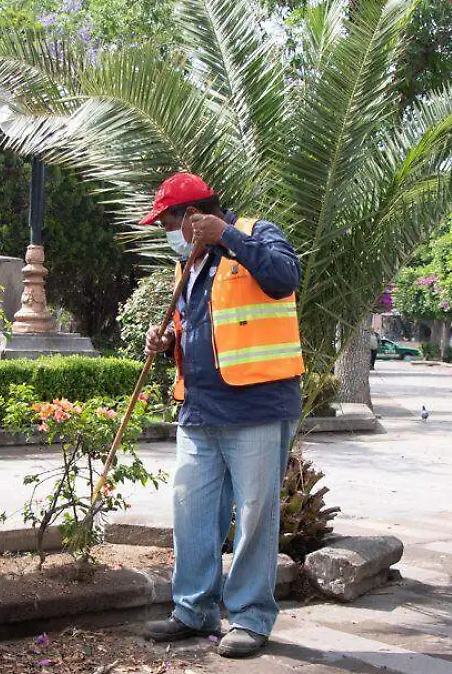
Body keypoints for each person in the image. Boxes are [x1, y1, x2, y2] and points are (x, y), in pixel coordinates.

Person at [139, 173, 303, 659]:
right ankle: (193, 610)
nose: (166, 231)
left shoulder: (257, 232)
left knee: (254, 516)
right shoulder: (188, 263)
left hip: (256, 407)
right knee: (192, 512)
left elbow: (283, 278)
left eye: (169, 221)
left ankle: (251, 618)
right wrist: (169, 341)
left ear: (192, 215)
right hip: (199, 408)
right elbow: (204, 327)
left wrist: (227, 236)